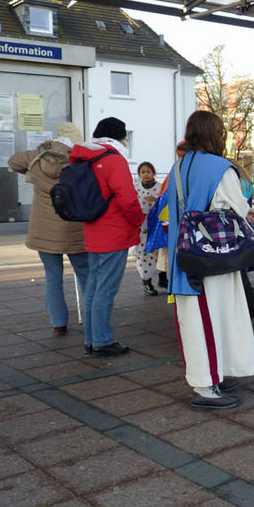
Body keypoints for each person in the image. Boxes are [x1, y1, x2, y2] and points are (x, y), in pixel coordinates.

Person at [167, 110, 254, 409]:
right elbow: (236, 204)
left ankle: (214, 373)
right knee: (212, 320)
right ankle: (206, 387)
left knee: (197, 321)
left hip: (184, 257)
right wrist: (246, 212)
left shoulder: (179, 166)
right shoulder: (222, 167)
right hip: (214, 257)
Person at [69, 117, 144, 356]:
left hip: (92, 230)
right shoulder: (113, 160)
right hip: (114, 233)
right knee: (105, 289)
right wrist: (139, 221)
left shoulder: (86, 158)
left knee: (92, 287)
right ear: (118, 137)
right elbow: (127, 198)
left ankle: (91, 339)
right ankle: (101, 341)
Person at [8, 122, 89, 335]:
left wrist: (32, 164)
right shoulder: (79, 159)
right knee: (85, 276)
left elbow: (13, 161)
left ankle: (58, 323)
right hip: (74, 227)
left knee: (53, 277)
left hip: (43, 230)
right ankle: (92, 319)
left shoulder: (37, 156)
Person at [132, 161, 164, 296]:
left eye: (148, 171)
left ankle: (163, 278)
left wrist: (157, 200)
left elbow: (166, 201)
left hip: (157, 226)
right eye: (142, 172)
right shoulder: (135, 188)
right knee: (143, 253)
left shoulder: (160, 187)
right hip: (141, 225)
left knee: (160, 252)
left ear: (153, 173)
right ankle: (147, 282)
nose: (145, 174)